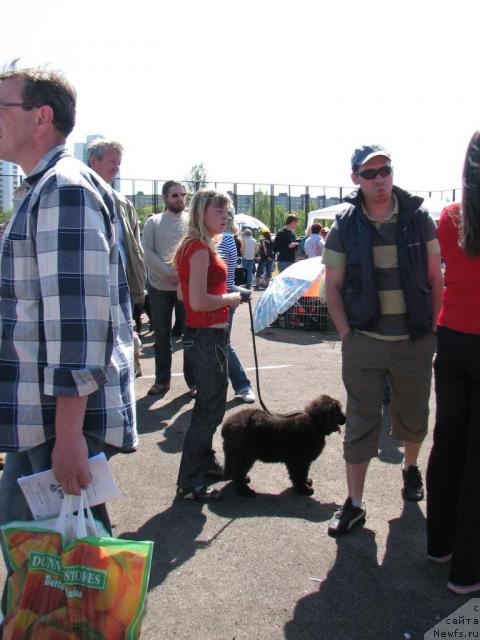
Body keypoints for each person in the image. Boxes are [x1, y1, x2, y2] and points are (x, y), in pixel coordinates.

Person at [0, 66, 137, 615]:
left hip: (52, 428)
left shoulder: (64, 191)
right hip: (43, 425)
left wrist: (68, 437)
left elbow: (77, 325)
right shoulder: (46, 188)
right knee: (66, 583)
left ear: (41, 117)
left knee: (58, 592)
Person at [323, 144, 443, 536]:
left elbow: (435, 277)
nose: (379, 179)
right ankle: (355, 503)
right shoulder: (345, 224)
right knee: (360, 421)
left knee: (413, 415)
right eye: (370, 172)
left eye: (385, 170)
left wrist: (433, 330)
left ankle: (409, 468)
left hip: (413, 340)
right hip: (365, 340)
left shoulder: (418, 218)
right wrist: (347, 336)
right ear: (355, 178)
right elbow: (333, 286)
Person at [426, 131, 480, 595]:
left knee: (449, 443)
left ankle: (439, 544)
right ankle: (465, 570)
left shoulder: (449, 217)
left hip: (455, 338)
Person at [174, 189, 242, 501]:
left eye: (227, 211)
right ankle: (191, 481)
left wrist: (224, 297)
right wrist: (230, 298)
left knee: (211, 407)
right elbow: (199, 302)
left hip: (207, 337)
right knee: (208, 410)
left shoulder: (195, 247)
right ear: (202, 212)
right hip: (208, 338)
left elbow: (184, 296)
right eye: (219, 210)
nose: (225, 215)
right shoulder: (199, 249)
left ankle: (205, 465)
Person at [87, 138, 145, 377]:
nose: (116, 167)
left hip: (121, 283)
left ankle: (127, 372)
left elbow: (134, 248)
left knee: (124, 334)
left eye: (119, 163)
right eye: (112, 161)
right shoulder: (79, 196)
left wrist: (138, 284)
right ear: (93, 161)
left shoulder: (123, 203)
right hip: (92, 284)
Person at [142, 180, 194, 396]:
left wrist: (182, 274)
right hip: (159, 287)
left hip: (187, 287)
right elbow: (146, 251)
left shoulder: (193, 221)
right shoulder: (153, 222)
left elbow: (198, 247)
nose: (180, 198)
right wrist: (168, 272)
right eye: (174, 195)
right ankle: (162, 381)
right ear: (164, 197)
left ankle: (194, 383)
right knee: (162, 338)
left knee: (191, 337)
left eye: (182, 194)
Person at [218, 208, 256, 404]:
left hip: (221, 298)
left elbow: (219, 275)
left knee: (221, 343)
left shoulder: (223, 239)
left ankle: (242, 385)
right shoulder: (224, 238)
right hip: (220, 297)